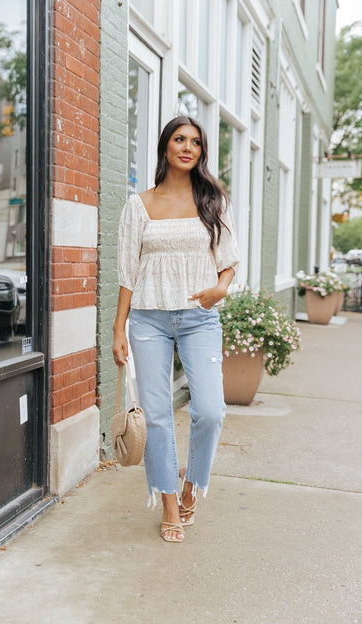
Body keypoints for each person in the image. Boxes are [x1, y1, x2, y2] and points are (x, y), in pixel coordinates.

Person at [112, 116, 239, 543]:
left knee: (210, 410)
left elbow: (228, 260)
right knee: (158, 416)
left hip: (200, 317)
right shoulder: (139, 204)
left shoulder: (213, 200)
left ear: (202, 152)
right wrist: (118, 329)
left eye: (196, 143)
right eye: (180, 140)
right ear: (166, 146)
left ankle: (192, 485)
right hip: (148, 319)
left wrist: (219, 289)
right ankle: (168, 501)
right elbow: (127, 272)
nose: (188, 147)